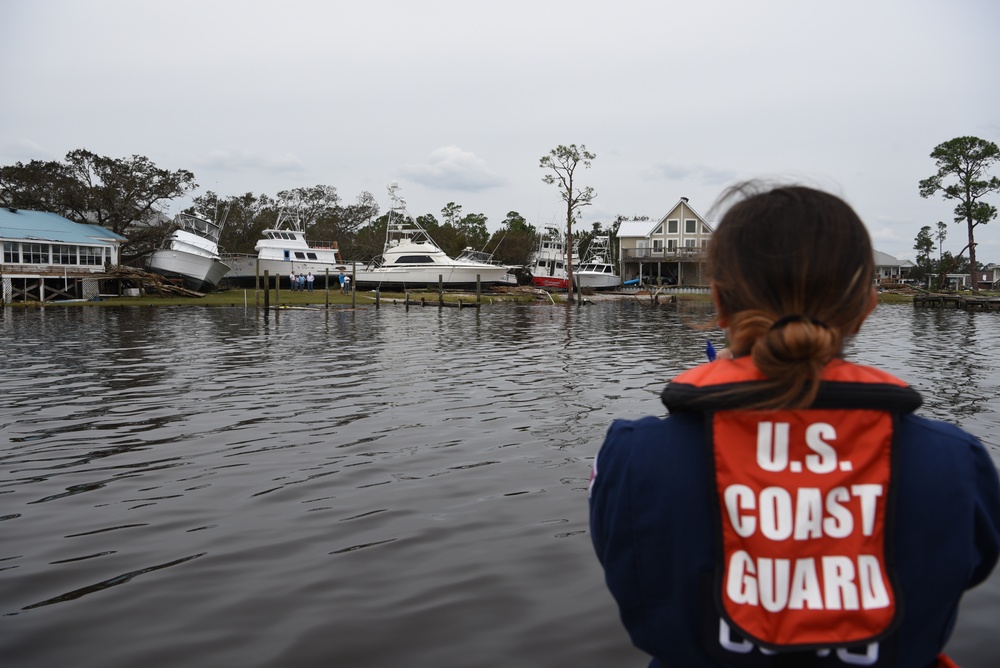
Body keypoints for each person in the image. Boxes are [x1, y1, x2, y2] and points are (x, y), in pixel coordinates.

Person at [589, 183, 1000, 668]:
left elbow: (628, 565)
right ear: (867, 306)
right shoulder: (957, 463)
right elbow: (966, 567)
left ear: (719, 302)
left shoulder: (631, 459)